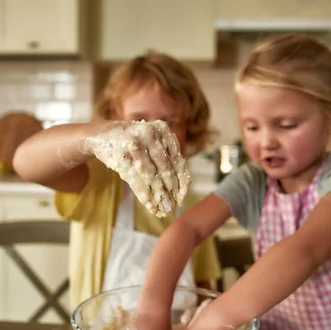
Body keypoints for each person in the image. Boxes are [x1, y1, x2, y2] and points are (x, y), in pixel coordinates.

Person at [128, 33, 331, 330]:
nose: (266, 142)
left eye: (286, 125)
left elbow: (307, 248)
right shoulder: (254, 180)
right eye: (252, 127)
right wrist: (152, 310)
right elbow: (187, 228)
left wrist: (214, 320)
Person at [13, 51, 221, 310]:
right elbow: (25, 162)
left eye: (169, 121)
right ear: (114, 117)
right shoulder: (97, 182)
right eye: (136, 120)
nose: (151, 133)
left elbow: (202, 285)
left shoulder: (193, 204)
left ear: (190, 127)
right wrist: (100, 135)